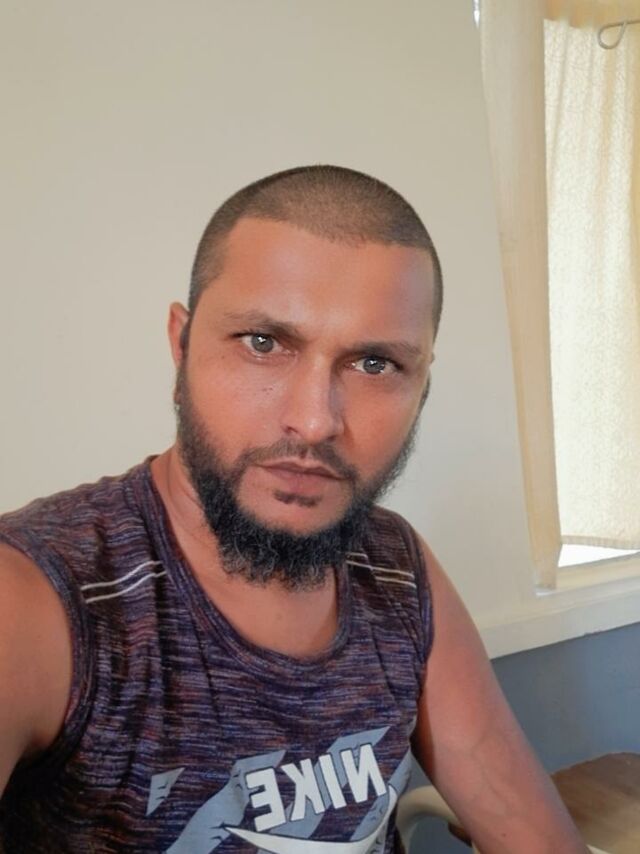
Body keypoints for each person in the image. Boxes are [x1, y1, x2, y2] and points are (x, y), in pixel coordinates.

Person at [0, 165, 588, 853]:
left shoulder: (394, 565)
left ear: (423, 385)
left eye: (375, 364)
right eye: (263, 343)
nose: (313, 422)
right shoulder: (41, 597)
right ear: (181, 346)